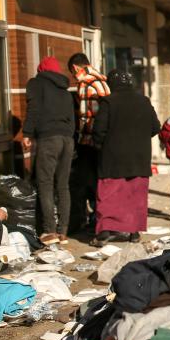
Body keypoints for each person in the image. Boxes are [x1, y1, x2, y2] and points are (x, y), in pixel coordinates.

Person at [90, 69, 160, 246]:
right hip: (139, 158)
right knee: (134, 196)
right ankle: (134, 232)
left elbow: (98, 131)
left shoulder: (108, 102)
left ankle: (104, 232)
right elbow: (155, 127)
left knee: (108, 195)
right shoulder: (144, 101)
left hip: (112, 159)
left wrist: (100, 145)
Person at [22, 56, 75, 244]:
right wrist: (69, 137)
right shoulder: (65, 90)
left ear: (41, 70)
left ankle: (49, 231)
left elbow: (33, 108)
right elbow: (72, 118)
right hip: (67, 140)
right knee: (63, 185)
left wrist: (27, 133)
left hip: (49, 138)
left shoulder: (36, 83)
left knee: (45, 183)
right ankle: (63, 232)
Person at [67, 53, 110, 232]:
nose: (74, 77)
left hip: (90, 140)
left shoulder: (85, 83)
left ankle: (93, 219)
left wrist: (80, 137)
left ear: (76, 68)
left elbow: (86, 116)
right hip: (104, 139)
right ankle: (101, 218)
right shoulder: (103, 80)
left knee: (87, 181)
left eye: (73, 72)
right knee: (100, 181)